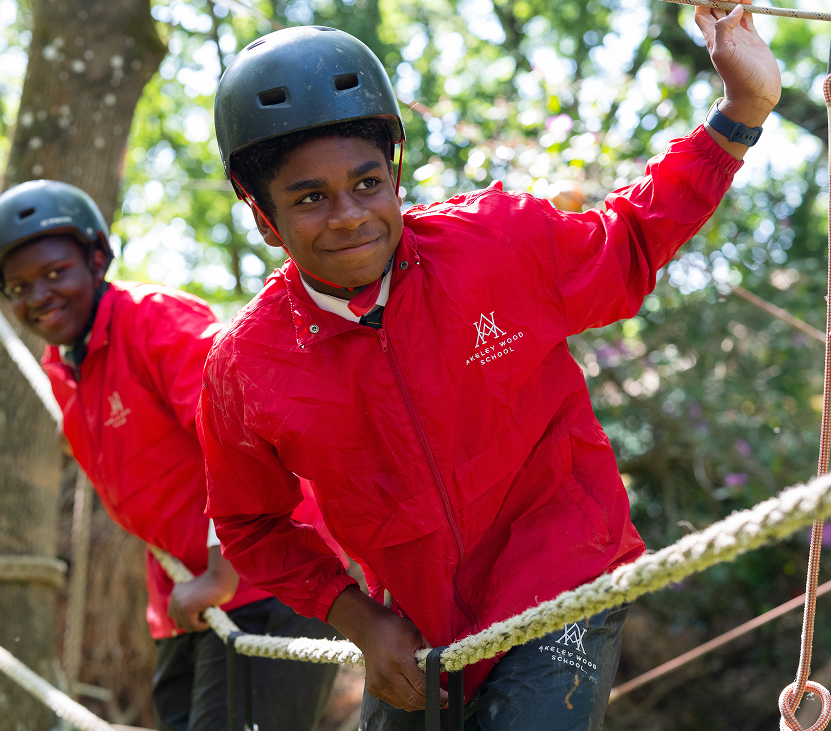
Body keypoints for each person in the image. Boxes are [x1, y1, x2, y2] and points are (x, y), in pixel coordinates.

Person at [197, 3, 781, 729]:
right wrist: (356, 617)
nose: (348, 214)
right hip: (415, 629)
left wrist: (739, 112)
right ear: (261, 215)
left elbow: (629, 239)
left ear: (395, 173)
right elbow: (251, 522)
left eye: (367, 182)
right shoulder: (244, 367)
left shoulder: (495, 244)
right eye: (310, 198)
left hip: (565, 575)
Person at [0, 179, 342, 731]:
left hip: (264, 581)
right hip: (187, 604)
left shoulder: (155, 322)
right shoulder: (64, 370)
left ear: (96, 259)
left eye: (55, 273)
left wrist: (219, 574)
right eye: (17, 287)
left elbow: (235, 434)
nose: (37, 295)